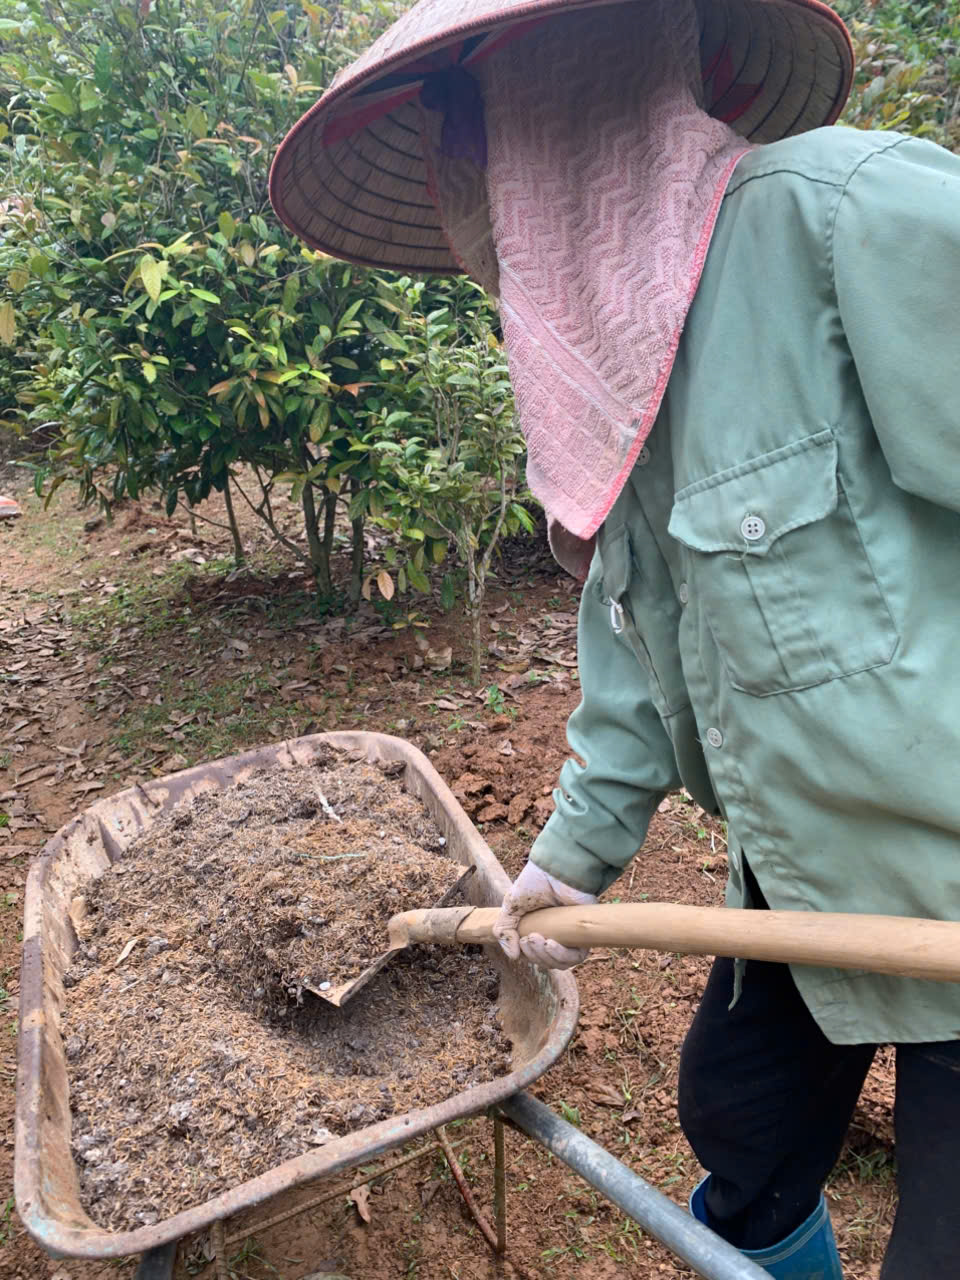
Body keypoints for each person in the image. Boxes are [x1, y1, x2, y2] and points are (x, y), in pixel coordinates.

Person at [271, 2, 960, 1275]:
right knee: (739, 1119)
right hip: (808, 863)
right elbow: (641, 634)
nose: (459, 182)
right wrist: (570, 861)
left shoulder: (844, 216)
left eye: (460, 134)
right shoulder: (614, 353)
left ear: (553, 111)